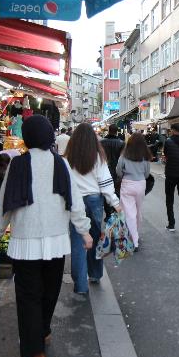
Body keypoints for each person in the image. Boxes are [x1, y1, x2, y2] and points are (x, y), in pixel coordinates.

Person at [0, 115, 92, 357]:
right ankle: (44, 331)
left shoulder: (17, 164)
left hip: (25, 242)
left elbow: (5, 201)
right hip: (56, 241)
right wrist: (84, 231)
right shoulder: (60, 164)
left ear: (26, 137)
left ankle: (36, 355)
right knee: (50, 291)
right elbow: (74, 200)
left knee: (28, 298)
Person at [64, 123, 121, 293]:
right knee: (96, 238)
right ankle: (95, 274)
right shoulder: (97, 156)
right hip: (95, 200)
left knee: (78, 240)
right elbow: (106, 183)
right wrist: (115, 203)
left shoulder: (68, 158)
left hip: (75, 201)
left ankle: (80, 284)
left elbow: (65, 183)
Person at [116, 133, 152, 247]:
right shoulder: (145, 157)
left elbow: (118, 171)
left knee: (129, 213)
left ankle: (134, 240)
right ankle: (135, 234)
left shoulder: (124, 156)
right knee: (137, 211)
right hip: (141, 184)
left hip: (127, 184)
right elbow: (147, 174)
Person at [101, 124, 125, 197]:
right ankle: (115, 206)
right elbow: (123, 158)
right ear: (117, 131)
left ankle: (107, 206)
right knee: (117, 191)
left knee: (105, 191)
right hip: (117, 170)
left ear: (108, 130)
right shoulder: (122, 143)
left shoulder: (101, 142)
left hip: (104, 170)